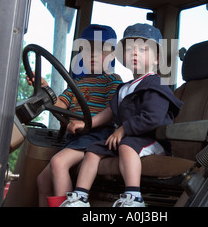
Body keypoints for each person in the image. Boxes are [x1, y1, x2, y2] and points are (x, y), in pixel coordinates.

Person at [60, 23, 183, 207]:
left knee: (126, 146)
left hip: (152, 139)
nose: (134, 53)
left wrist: (123, 130)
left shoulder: (157, 84)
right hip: (130, 137)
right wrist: (86, 124)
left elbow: (153, 117)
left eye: (142, 49)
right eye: (130, 49)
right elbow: (109, 113)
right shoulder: (124, 88)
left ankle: (133, 197)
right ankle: (79, 198)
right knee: (93, 150)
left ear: (157, 58)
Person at [28, 24, 122, 207]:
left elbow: (112, 111)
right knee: (42, 180)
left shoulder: (112, 80)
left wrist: (87, 123)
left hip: (97, 136)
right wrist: (44, 88)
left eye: (101, 50)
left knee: (58, 162)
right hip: (76, 139)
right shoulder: (76, 84)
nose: (93, 55)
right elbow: (59, 106)